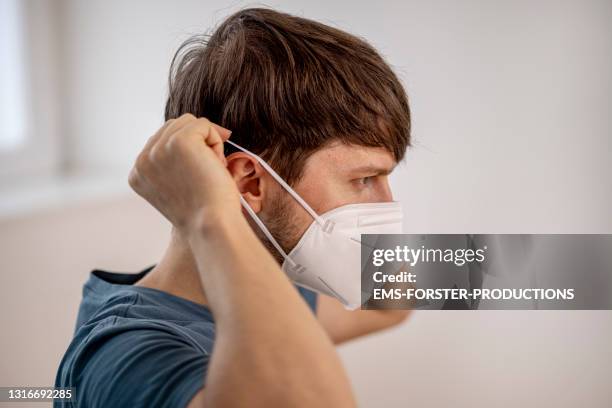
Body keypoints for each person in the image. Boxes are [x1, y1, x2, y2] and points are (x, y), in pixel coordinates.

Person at [55, 7, 411, 407]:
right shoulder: (124, 358)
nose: (387, 203)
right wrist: (209, 214)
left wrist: (487, 269)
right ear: (248, 182)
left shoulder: (266, 291)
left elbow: (395, 299)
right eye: (363, 180)